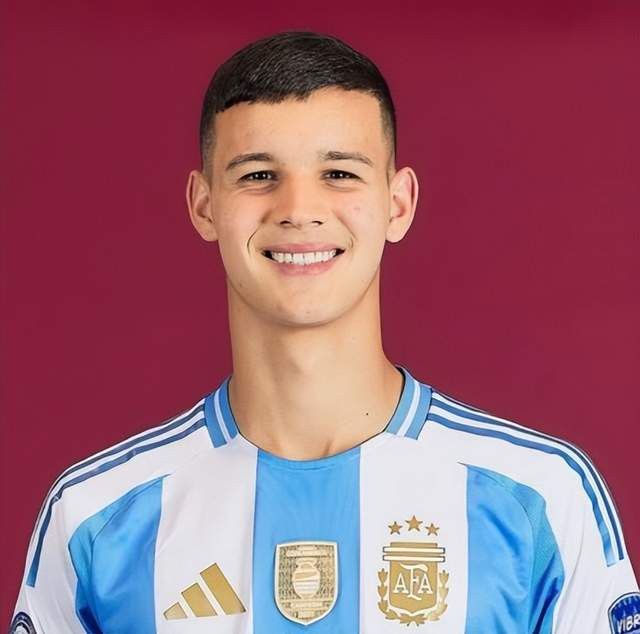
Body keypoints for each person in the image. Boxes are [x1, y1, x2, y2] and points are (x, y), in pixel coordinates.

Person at [9, 30, 639, 634]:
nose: (298, 209)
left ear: (398, 203)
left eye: (339, 173)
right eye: (258, 175)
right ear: (204, 206)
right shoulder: (95, 518)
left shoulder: (541, 500)